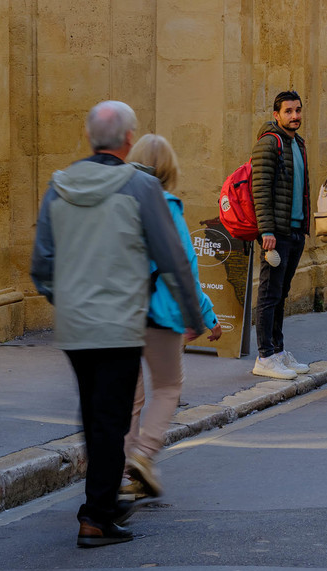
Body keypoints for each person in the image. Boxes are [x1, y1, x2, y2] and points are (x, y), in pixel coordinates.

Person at [31, 101, 208, 547]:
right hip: (121, 320)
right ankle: (97, 515)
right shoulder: (141, 186)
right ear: (128, 139)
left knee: (96, 413)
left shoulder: (59, 185)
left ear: (91, 138)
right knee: (111, 416)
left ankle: (102, 503)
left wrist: (65, 299)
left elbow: (42, 263)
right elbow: (172, 258)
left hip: (75, 324)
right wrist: (193, 314)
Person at [121, 133, 217, 501]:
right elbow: (184, 267)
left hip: (123, 313)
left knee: (130, 399)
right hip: (160, 314)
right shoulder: (167, 206)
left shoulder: (119, 203)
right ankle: (144, 455)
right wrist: (204, 314)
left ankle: (123, 474)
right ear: (169, 169)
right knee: (168, 387)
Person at [251, 89, 311, 380]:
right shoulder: (269, 143)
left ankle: (278, 350)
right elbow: (260, 189)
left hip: (295, 231)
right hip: (276, 233)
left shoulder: (298, 142)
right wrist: (267, 231)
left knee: (281, 293)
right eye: (288, 111)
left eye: (297, 110)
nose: (295, 116)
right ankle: (264, 356)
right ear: (276, 115)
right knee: (269, 294)